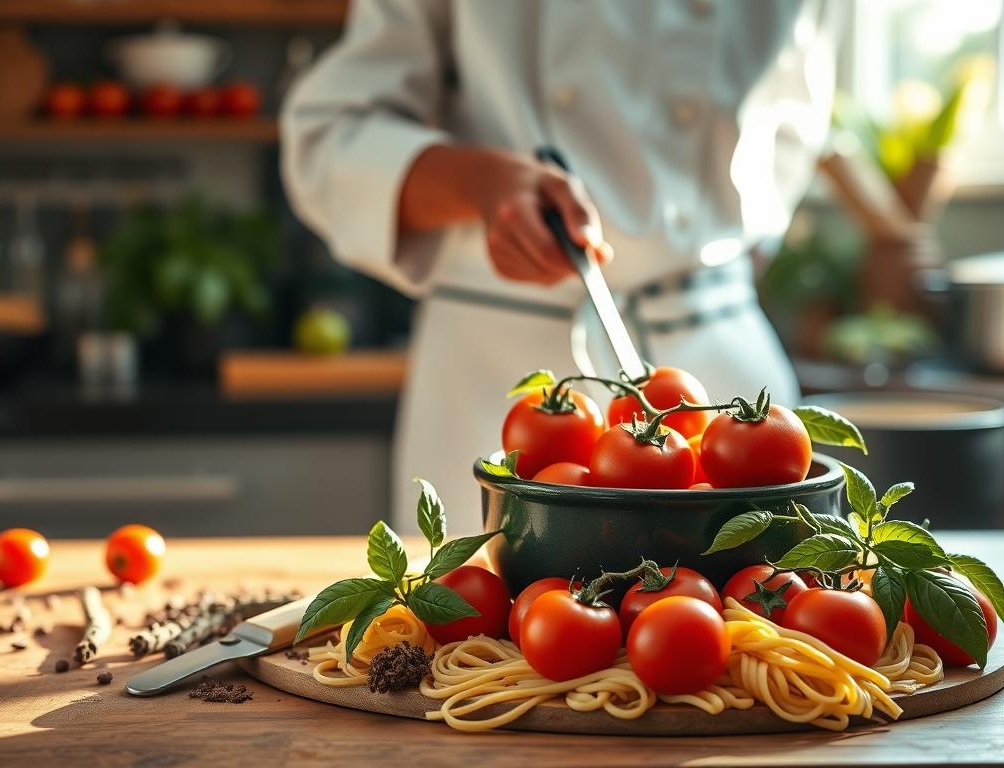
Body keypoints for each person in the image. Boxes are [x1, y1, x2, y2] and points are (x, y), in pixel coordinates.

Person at [282, 1, 841, 531]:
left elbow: (794, 133)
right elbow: (329, 136)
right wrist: (479, 183)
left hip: (726, 369)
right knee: (472, 615)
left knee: (759, 618)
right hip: (502, 370)